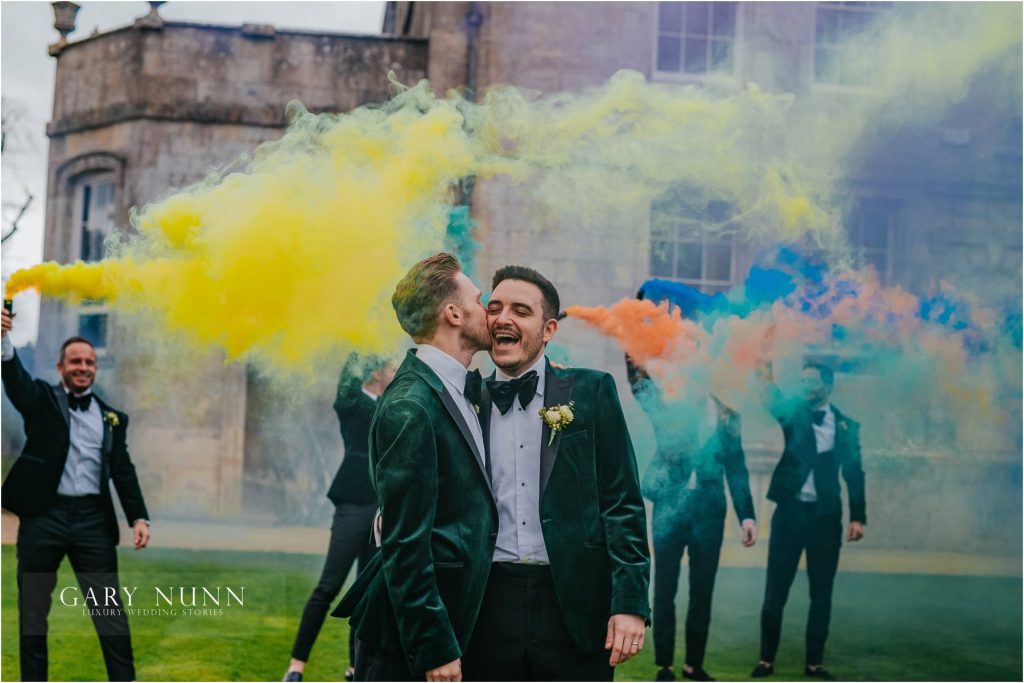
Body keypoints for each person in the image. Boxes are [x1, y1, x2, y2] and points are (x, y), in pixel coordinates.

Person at [467, 265, 650, 681]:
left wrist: (630, 603)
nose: (502, 318)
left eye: (520, 310)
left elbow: (622, 503)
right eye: (493, 308)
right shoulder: (465, 398)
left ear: (548, 329)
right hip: (486, 604)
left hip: (574, 604)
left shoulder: (592, 391)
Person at [332, 252, 497, 682]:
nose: (488, 310)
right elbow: (404, 543)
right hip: (412, 648)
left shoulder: (456, 389)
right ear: (453, 313)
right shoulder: (411, 405)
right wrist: (434, 647)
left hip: (454, 623)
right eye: (480, 300)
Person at [1, 307, 150, 682]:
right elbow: (16, 380)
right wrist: (3, 339)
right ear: (61, 366)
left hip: (92, 524)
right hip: (43, 519)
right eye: (75, 361)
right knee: (33, 615)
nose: (83, 366)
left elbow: (123, 470)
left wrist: (138, 517)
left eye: (89, 361)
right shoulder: (42, 401)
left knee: (109, 614)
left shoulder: (112, 417)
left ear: (95, 368)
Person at [627, 358, 757, 683]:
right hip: (669, 510)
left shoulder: (729, 417)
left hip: (709, 515)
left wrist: (748, 516)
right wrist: (629, 347)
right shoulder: (670, 409)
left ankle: (693, 667)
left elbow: (737, 468)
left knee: (703, 591)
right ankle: (665, 667)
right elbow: (641, 387)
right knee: (664, 589)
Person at [283, 356, 396, 683]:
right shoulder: (352, 403)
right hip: (353, 504)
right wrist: (357, 334)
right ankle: (296, 666)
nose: (395, 373)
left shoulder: (396, 403)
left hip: (382, 508)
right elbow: (346, 381)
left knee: (367, 592)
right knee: (328, 586)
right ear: (375, 373)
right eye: (390, 369)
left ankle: (355, 669)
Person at [751, 361, 866, 681]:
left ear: (828, 386)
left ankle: (814, 664)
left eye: (811, 382)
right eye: (801, 380)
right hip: (789, 514)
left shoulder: (847, 426)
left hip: (825, 519)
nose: (804, 386)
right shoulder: (794, 413)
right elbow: (770, 396)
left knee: (822, 592)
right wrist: (763, 364)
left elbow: (854, 473)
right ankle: (765, 661)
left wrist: (858, 517)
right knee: (775, 589)